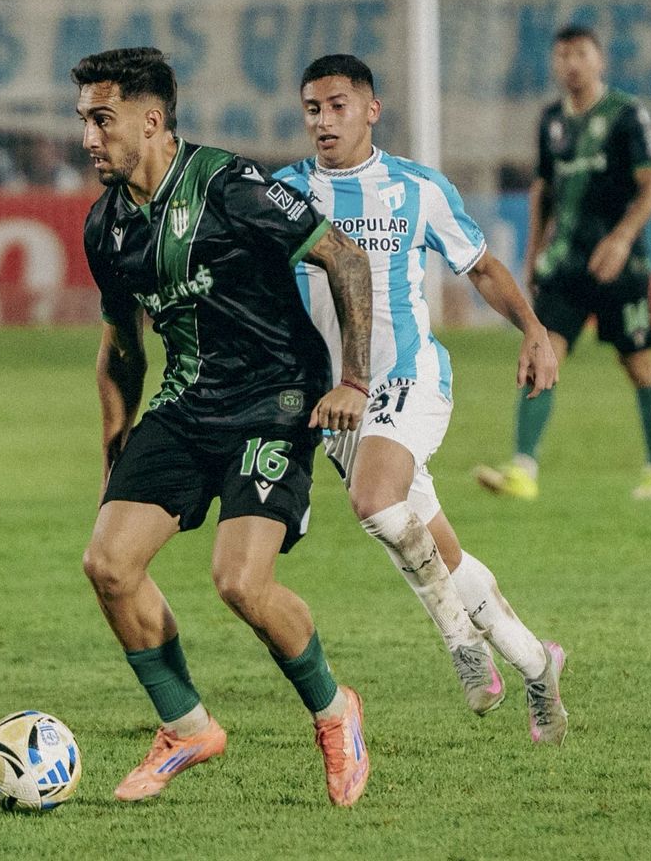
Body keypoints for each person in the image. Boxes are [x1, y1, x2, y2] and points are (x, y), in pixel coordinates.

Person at [73, 47, 375, 806]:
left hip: (275, 401)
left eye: (101, 120)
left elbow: (345, 259)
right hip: (186, 405)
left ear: (151, 121)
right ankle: (187, 725)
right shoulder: (107, 227)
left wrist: (355, 381)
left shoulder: (229, 186)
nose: (88, 137)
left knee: (239, 581)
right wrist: (118, 443)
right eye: (83, 119)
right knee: (109, 565)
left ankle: (336, 711)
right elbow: (121, 346)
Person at [275, 54, 569, 744]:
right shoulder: (284, 194)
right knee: (442, 556)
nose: (324, 120)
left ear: (371, 110)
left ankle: (461, 645)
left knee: (375, 502)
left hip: (411, 380)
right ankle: (536, 663)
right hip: (341, 404)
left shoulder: (416, 188)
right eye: (313, 108)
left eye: (339, 105)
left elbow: (484, 268)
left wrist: (534, 331)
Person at [474, 24, 651, 502]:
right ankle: (522, 470)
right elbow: (543, 188)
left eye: (581, 54)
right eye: (562, 55)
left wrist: (623, 238)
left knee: (639, 362)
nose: (572, 64)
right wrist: (531, 255)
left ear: (600, 61)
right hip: (564, 266)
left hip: (617, 266)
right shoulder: (550, 121)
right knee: (543, 353)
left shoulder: (627, 115)